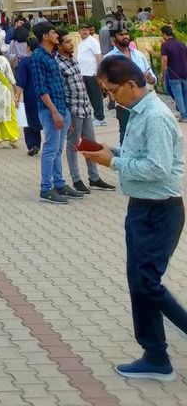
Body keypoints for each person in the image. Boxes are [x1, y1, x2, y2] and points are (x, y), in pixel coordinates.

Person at [86, 56, 187, 381]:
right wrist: (110, 152)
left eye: (112, 90)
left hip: (161, 210)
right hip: (141, 208)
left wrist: (112, 164)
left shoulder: (155, 116)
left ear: (131, 85)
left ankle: (166, 345)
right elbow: (139, 156)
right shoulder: (138, 113)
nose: (111, 97)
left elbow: (157, 168)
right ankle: (155, 356)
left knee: (147, 282)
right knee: (139, 282)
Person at [28, 22, 80, 204]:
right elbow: (41, 89)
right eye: (53, 33)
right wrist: (54, 112)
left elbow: (59, 86)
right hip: (50, 110)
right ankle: (45, 188)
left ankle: (59, 183)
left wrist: (64, 113)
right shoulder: (37, 57)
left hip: (61, 108)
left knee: (58, 149)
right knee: (50, 149)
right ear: (45, 36)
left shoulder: (51, 56)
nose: (56, 35)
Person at [55, 33, 113, 194]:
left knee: (90, 143)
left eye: (71, 41)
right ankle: (76, 179)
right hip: (73, 109)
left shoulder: (73, 59)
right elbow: (60, 90)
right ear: (59, 46)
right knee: (73, 144)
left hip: (85, 107)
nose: (71, 44)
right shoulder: (58, 64)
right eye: (67, 42)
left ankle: (94, 177)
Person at [103, 28, 156, 142]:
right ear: (113, 38)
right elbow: (106, 82)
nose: (125, 36)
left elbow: (152, 78)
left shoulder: (139, 55)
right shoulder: (109, 59)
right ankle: (123, 159)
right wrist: (111, 93)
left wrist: (149, 78)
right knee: (126, 136)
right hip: (125, 105)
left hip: (145, 103)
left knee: (147, 135)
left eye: (126, 33)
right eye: (121, 34)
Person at [76, 22, 106, 125]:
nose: (84, 31)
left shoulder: (93, 41)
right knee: (90, 96)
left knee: (96, 95)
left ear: (89, 31)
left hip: (92, 73)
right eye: (82, 30)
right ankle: (97, 116)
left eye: (86, 30)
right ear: (79, 31)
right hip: (84, 73)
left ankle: (100, 118)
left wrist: (99, 72)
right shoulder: (81, 43)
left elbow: (98, 56)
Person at [160, 25, 187, 123]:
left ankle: (183, 115)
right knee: (184, 93)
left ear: (164, 34)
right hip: (184, 72)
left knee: (177, 94)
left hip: (173, 73)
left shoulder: (165, 45)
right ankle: (185, 113)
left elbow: (164, 60)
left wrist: (162, 73)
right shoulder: (181, 43)